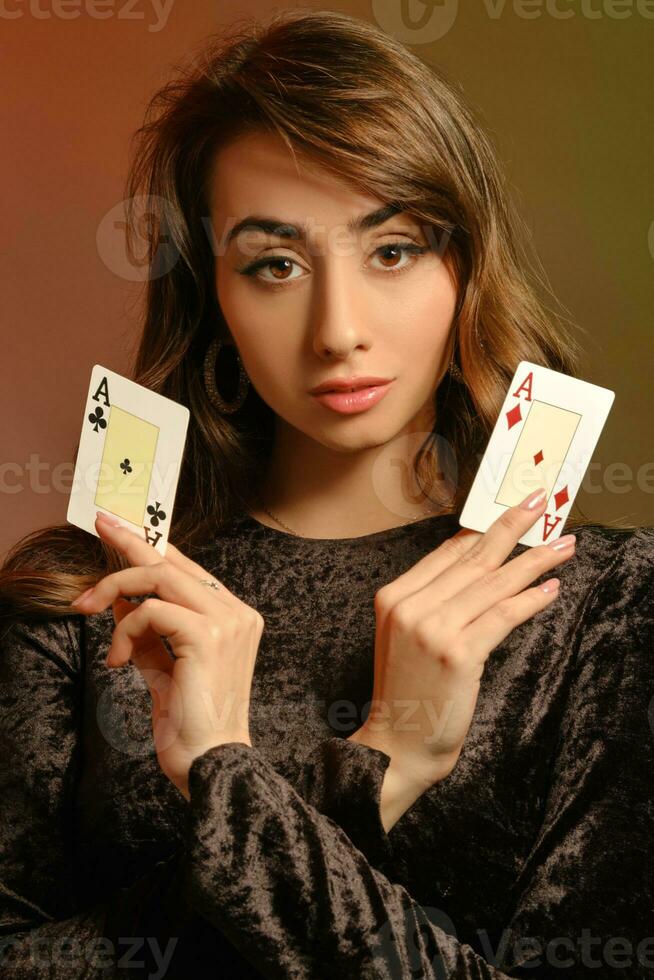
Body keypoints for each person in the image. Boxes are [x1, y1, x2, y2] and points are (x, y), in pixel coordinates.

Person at [0, 9, 652, 978]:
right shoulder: (87, 595)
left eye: (392, 249)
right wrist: (368, 776)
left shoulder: (602, 603)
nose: (338, 328)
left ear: (465, 264)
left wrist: (249, 783)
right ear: (213, 295)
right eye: (275, 264)